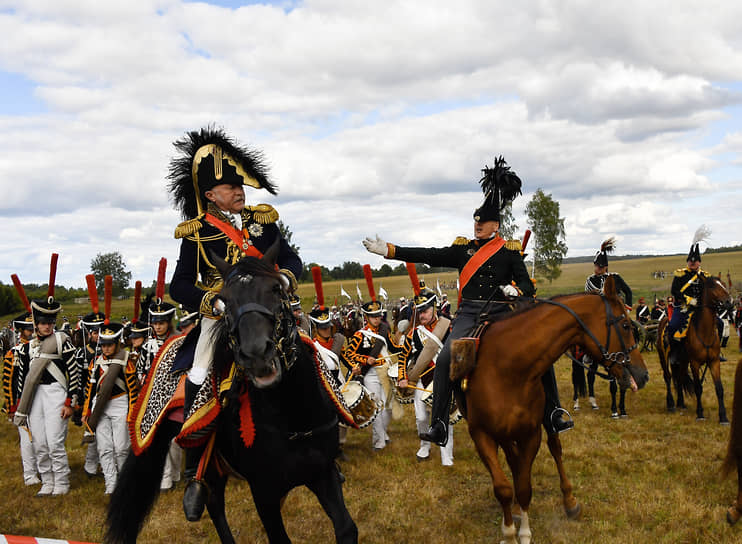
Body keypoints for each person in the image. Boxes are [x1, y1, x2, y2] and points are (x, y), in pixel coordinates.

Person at [363, 156, 572, 446]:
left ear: (495, 226)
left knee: (541, 353)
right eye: (476, 222)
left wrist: (514, 289)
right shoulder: (463, 250)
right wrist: (389, 250)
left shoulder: (509, 251)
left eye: (483, 223)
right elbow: (430, 254)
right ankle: (438, 425)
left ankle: (553, 412)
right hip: (470, 315)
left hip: (503, 313)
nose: (477, 226)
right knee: (448, 355)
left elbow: (525, 284)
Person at [167, 127, 302, 520]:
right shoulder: (196, 235)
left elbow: (292, 260)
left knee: (316, 355)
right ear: (210, 195)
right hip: (221, 315)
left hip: (267, 308)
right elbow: (178, 285)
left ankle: (320, 445)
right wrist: (209, 299)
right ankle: (198, 473)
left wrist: (287, 278)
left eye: (240, 184)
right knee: (197, 374)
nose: (239, 190)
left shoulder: (262, 222)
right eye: (229, 187)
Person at [13, 296, 79, 496]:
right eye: (43, 323)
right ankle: (47, 480)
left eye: (51, 322)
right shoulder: (27, 348)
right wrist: (20, 405)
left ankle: (61, 480)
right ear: (36, 324)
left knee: (54, 441)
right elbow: (23, 378)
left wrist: (70, 401)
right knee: (39, 442)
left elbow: (74, 373)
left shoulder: (61, 341)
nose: (48, 326)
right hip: (34, 397)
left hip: (55, 393)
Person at [397, 287, 453, 465]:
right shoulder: (414, 334)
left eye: (426, 310)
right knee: (421, 417)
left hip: (444, 379)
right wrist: (401, 377)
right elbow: (402, 358)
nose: (422, 315)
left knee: (445, 418)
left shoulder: (449, 327)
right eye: (419, 311)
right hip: (423, 380)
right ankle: (424, 445)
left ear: (434, 308)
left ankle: (447, 456)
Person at [81, 321, 139, 495]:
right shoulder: (95, 362)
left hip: (120, 403)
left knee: (121, 447)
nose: (106, 348)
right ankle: (110, 483)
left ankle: (124, 481)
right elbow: (90, 390)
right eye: (104, 345)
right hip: (99, 406)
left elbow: (132, 390)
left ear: (117, 343)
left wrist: (131, 412)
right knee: (104, 448)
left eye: (110, 345)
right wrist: (86, 411)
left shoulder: (126, 361)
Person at [583, 238, 633, 417]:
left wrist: (627, 307)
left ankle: (633, 354)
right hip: (600, 318)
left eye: (598, 266)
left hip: (618, 317)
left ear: (604, 267)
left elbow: (628, 292)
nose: (595, 268)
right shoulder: (590, 281)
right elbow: (589, 300)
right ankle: (591, 355)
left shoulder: (615, 278)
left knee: (631, 329)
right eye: (595, 265)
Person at [2, 312, 40, 486]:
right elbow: (8, 380)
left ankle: (41, 468)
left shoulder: (41, 348)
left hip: (41, 398)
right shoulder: (14, 353)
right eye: (27, 329)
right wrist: (10, 405)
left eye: (32, 328)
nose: (31, 331)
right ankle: (30, 474)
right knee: (26, 439)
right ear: (21, 330)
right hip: (21, 401)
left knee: (41, 437)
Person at [667, 227, 711, 366]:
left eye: (695, 260)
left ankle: (714, 351)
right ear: (687, 261)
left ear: (699, 262)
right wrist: (688, 299)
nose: (692, 262)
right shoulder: (680, 274)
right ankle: (674, 353)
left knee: (719, 324)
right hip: (683, 307)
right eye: (690, 261)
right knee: (673, 326)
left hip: (701, 308)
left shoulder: (705, 276)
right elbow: (674, 290)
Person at [76, 309, 105, 477]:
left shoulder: (109, 349)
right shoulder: (83, 353)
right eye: (95, 332)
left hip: (108, 396)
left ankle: (98, 463)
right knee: (94, 433)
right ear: (89, 333)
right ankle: (90, 465)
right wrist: (80, 403)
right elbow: (80, 380)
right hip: (91, 398)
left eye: (101, 331)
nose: (98, 335)